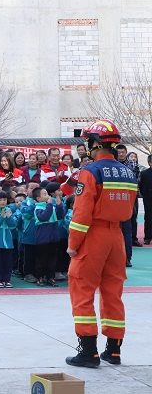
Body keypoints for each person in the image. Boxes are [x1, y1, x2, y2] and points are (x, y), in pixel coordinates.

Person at [65, 120, 137, 368]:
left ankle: (88, 352)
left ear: (95, 144)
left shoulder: (91, 171)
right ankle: (113, 350)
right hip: (117, 236)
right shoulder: (128, 172)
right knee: (113, 293)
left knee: (82, 290)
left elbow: (82, 214)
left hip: (93, 237)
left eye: (89, 143)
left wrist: (73, 245)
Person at [0, 191, 18, 288]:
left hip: (8, 242)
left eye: (4, 199)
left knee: (7, 262)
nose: (2, 202)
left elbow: (13, 225)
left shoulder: (9, 211)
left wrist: (9, 218)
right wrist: (1, 217)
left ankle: (6, 279)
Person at [138, 154, 152, 245]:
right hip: (148, 198)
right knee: (148, 218)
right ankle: (147, 237)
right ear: (150, 163)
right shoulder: (144, 174)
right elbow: (141, 186)